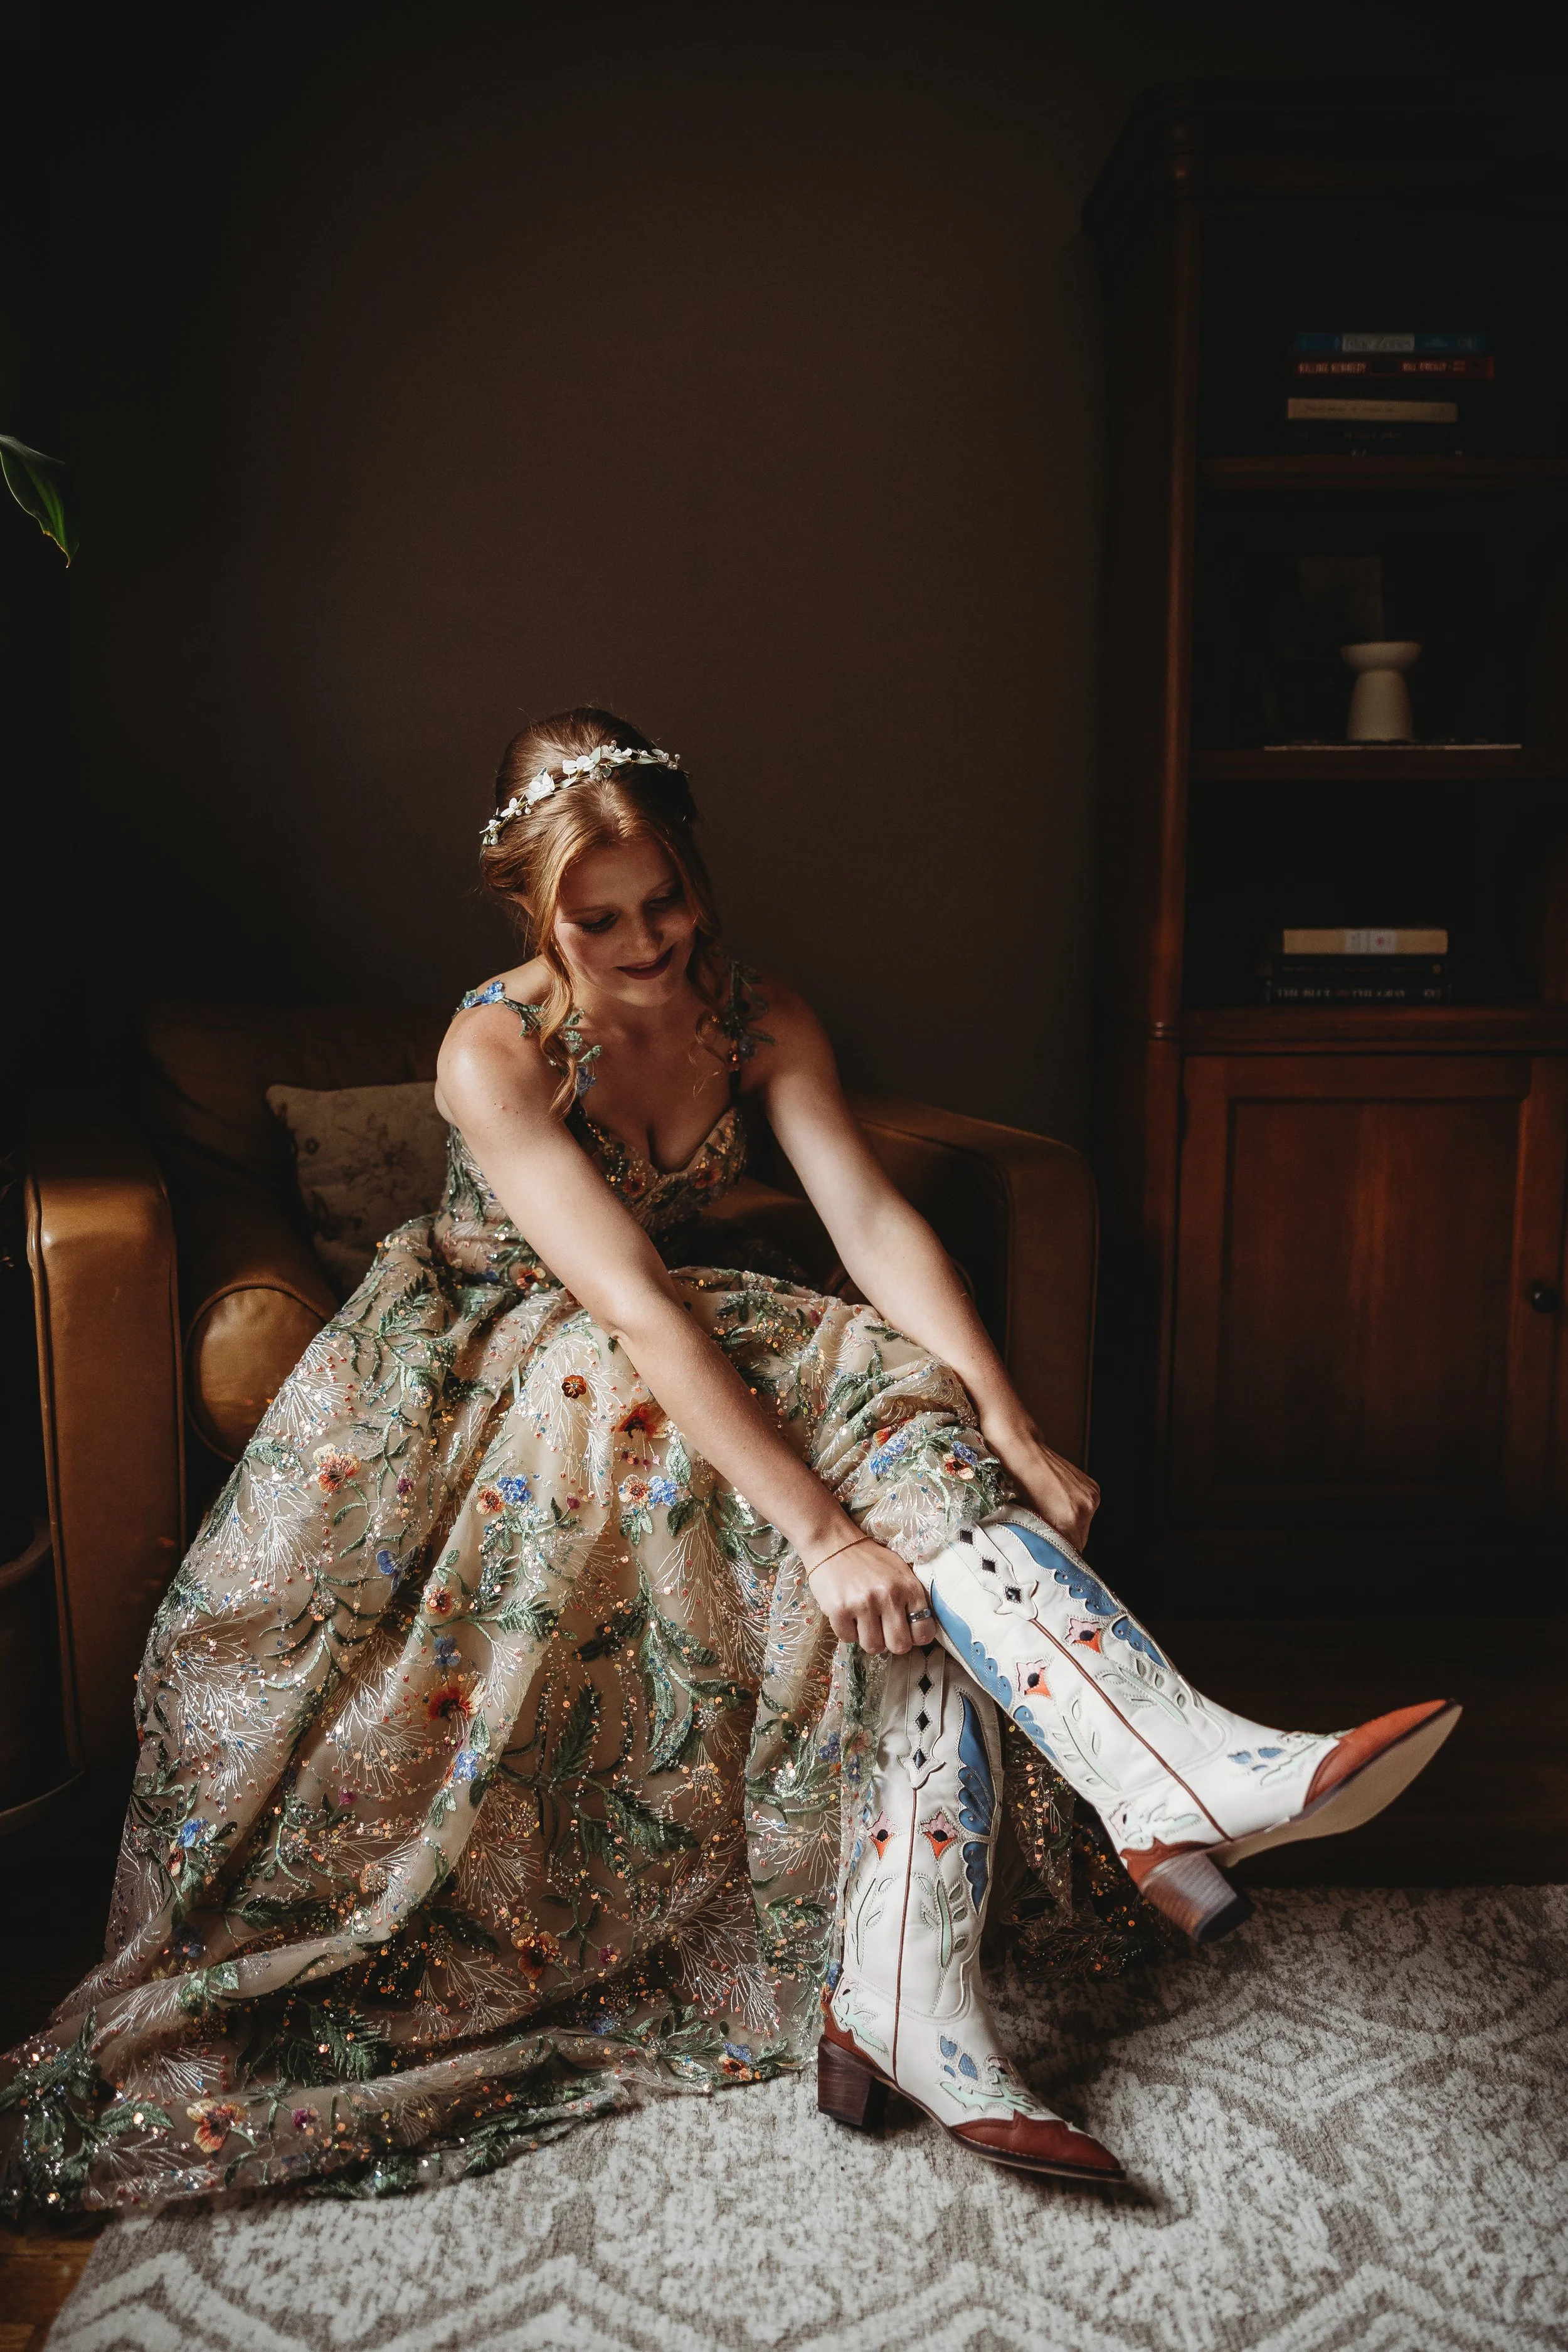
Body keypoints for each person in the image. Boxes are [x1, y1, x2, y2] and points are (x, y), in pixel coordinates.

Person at [0, 709, 1458, 2213]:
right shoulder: (489, 1050)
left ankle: (1124, 1804)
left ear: (698, 874)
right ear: (530, 909)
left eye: (666, 901)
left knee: (904, 1405)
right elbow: (621, 1303)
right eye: (599, 918)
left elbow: (874, 1226)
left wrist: (1013, 1425)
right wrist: (821, 1534)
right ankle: (1025, 1891)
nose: (644, 942)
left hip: (683, 1322)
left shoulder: (762, 1015)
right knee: (783, 1483)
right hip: (512, 1354)